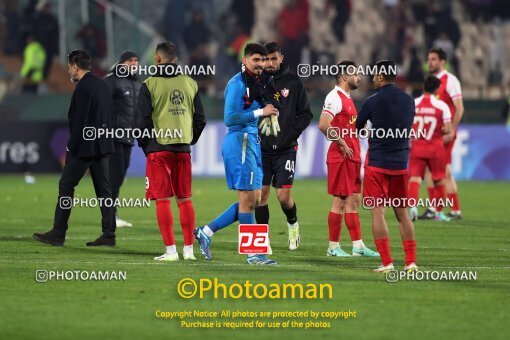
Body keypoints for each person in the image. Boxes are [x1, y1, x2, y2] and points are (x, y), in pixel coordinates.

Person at [194, 43, 279, 265]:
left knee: (255, 199)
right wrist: (262, 112)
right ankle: (253, 254)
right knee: (248, 200)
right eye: (256, 60)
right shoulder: (237, 84)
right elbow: (230, 118)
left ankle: (206, 232)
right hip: (239, 142)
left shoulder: (257, 83)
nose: (261, 64)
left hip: (251, 142)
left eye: (263, 60)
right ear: (245, 60)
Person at [33, 49, 116, 247]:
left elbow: (79, 121)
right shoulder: (103, 85)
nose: (69, 70)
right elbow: (112, 115)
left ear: (75, 67)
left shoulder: (83, 88)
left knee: (66, 185)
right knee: (104, 190)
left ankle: (58, 232)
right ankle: (109, 234)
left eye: (69, 66)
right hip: (103, 144)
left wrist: (72, 148)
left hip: (85, 147)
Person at [136, 42, 206, 261]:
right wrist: (188, 139)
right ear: (175, 59)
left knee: (162, 200)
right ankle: (189, 250)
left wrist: (147, 147)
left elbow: (142, 122)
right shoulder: (190, 83)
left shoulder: (149, 85)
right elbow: (200, 119)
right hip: (182, 150)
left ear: (157, 58)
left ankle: (170, 251)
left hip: (159, 149)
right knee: (184, 199)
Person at [356, 60, 417, 272]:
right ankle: (411, 262)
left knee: (377, 212)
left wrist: (368, 131)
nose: (372, 79)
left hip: (377, 164)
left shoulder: (372, 101)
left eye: (374, 75)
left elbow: (358, 127)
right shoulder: (409, 101)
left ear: (381, 77)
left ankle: (387, 262)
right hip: (400, 164)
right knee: (402, 214)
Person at [254, 42, 313, 251]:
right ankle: (263, 240)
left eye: (273, 58)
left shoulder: (293, 82)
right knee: (260, 194)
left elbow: (306, 114)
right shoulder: (257, 81)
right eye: (266, 59)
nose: (269, 63)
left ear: (281, 58)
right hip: (262, 147)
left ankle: (293, 223)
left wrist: (290, 135)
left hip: (286, 148)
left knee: (283, 196)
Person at [318, 60, 379, 258]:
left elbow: (347, 125)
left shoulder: (347, 97)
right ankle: (332, 247)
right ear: (344, 77)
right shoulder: (334, 97)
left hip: (352, 157)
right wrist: (342, 143)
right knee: (340, 201)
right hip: (340, 156)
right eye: (355, 74)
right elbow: (323, 124)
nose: (359, 78)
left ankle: (358, 246)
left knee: (354, 201)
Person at [420, 48, 464, 220]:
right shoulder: (432, 81)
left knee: (435, 170)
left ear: (442, 62)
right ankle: (453, 209)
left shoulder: (450, 80)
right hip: (434, 134)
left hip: (445, 134)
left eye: (433, 59)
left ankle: (434, 208)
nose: (430, 62)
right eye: (429, 59)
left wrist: (451, 130)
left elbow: (459, 108)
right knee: (443, 170)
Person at [104, 51, 141, 228]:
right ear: (121, 62)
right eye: (130, 60)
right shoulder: (112, 80)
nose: (133, 63)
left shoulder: (137, 84)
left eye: (136, 60)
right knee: (114, 176)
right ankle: (110, 216)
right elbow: (100, 105)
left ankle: (112, 214)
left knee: (119, 177)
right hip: (113, 137)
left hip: (128, 138)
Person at [408, 76, 452, 222]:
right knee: (439, 180)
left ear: (423, 87)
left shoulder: (413, 104)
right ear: (437, 89)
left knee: (414, 179)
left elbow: (407, 126)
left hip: (417, 147)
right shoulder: (442, 106)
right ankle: (438, 213)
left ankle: (413, 206)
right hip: (435, 148)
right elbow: (448, 130)